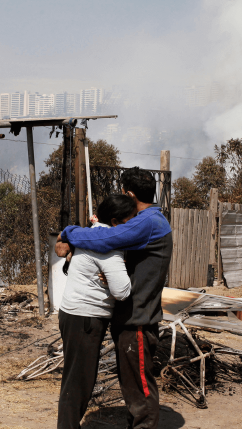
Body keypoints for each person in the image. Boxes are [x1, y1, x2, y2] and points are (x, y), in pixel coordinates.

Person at [56, 167, 173, 429]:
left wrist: (69, 233)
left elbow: (106, 237)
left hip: (138, 318)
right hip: (129, 316)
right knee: (132, 385)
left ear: (129, 194)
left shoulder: (146, 222)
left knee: (139, 388)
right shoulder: (148, 219)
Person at [57, 194, 136, 429]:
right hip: (86, 317)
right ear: (115, 221)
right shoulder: (108, 246)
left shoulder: (90, 234)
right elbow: (122, 291)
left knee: (75, 377)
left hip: (73, 313)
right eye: (129, 220)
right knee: (79, 381)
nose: (133, 225)